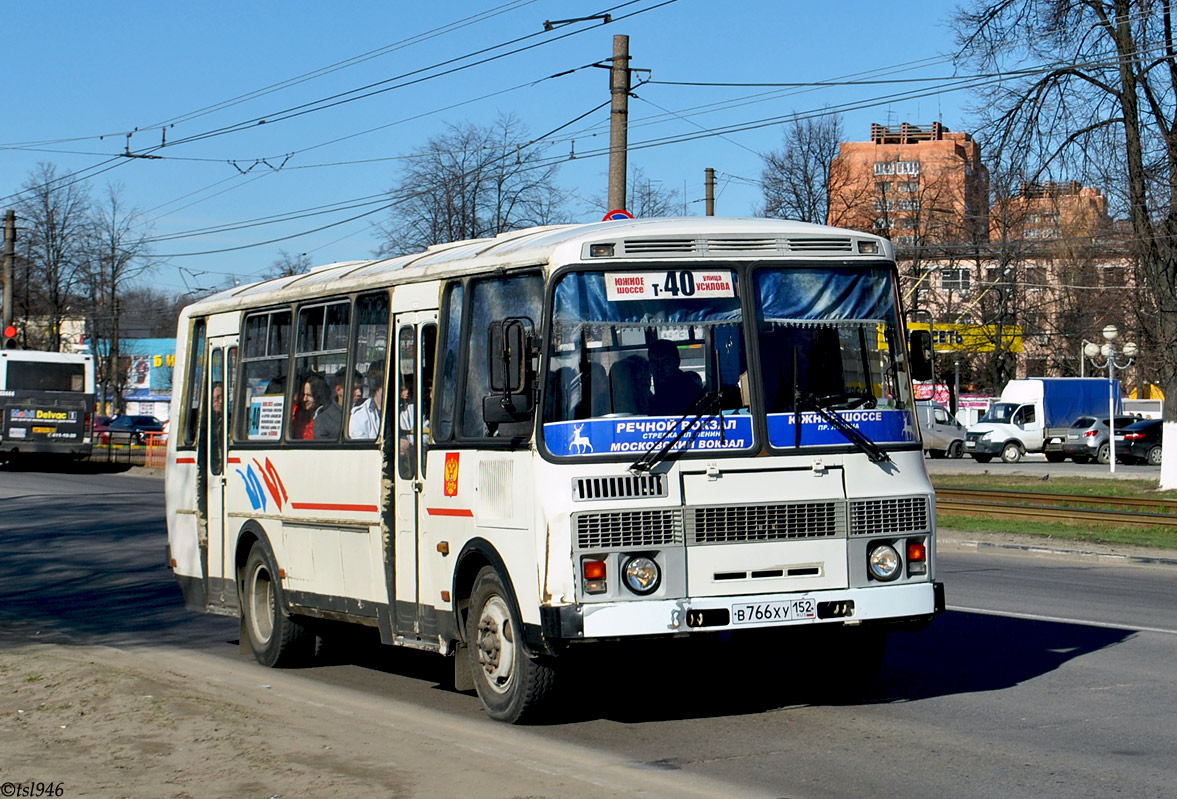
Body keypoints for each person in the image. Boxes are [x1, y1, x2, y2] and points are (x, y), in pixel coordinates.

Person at [648, 339, 703, 415]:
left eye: (666, 361)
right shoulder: (651, 396)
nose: (659, 367)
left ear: (677, 362)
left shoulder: (689, 393)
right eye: (654, 362)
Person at [293, 373, 341, 441]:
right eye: (303, 395)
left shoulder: (329, 417)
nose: (304, 399)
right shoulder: (298, 415)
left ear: (318, 395)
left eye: (309, 395)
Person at [349, 369, 383, 440]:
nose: (359, 393)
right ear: (374, 386)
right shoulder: (359, 416)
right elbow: (362, 448)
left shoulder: (405, 409)